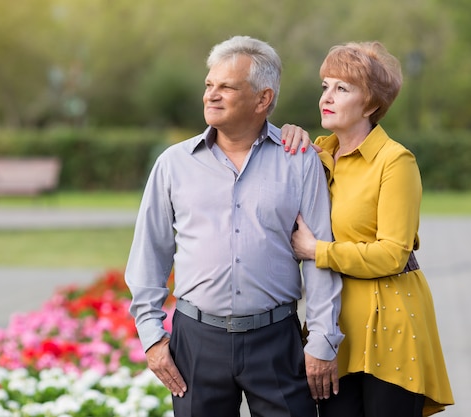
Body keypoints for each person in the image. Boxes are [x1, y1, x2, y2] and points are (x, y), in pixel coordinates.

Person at [125, 35, 344, 417]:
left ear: (263, 99)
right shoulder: (173, 164)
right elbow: (149, 254)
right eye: (210, 85)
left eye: (227, 86)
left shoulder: (300, 161)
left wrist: (322, 340)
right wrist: (151, 339)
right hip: (196, 343)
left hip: (277, 342)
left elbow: (318, 256)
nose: (212, 94)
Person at [283, 41, 454, 416]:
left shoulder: (396, 161)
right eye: (325, 85)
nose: (326, 97)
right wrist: (288, 132)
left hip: (389, 327)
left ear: (372, 104)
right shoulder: (315, 156)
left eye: (342, 89)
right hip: (335, 327)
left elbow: (394, 253)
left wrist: (318, 251)